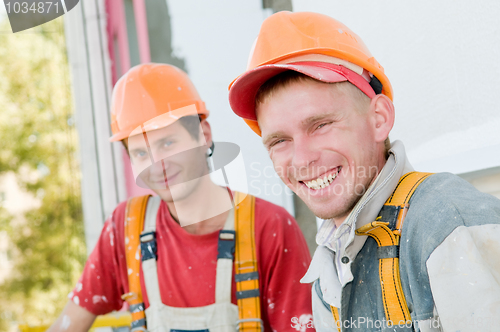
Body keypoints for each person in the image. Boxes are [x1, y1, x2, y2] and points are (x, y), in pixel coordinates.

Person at [228, 11, 500, 332]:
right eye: (280, 140)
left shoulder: (447, 227)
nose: (301, 160)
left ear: (379, 118)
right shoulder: (328, 270)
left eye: (321, 125)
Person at [48, 63, 315, 332]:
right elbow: (67, 325)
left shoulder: (269, 228)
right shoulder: (126, 227)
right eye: (141, 153)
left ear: (204, 135)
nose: (157, 165)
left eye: (167, 143)